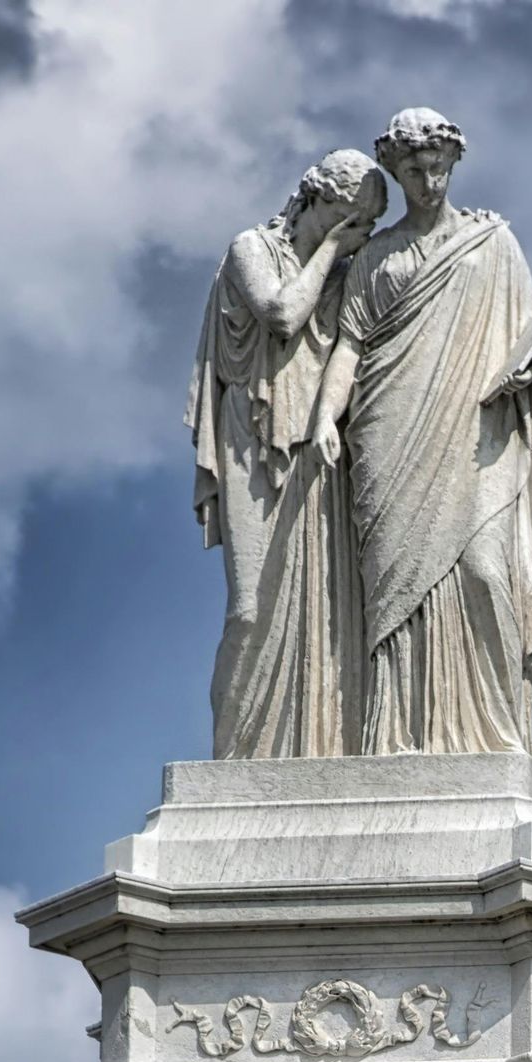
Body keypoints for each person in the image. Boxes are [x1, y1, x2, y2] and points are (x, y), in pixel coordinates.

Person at [309, 106, 532, 756]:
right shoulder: (376, 256)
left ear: (454, 163)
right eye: (413, 168)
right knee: (394, 593)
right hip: (388, 433)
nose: (427, 178)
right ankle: (398, 737)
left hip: (478, 434)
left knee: (488, 573)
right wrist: (326, 416)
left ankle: (497, 737)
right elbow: (349, 348)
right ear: (396, 170)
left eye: (436, 165)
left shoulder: (493, 244)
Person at [186, 148, 386, 757]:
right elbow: (279, 314)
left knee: (324, 614)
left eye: (369, 226)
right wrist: (333, 251)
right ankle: (231, 759)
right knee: (250, 607)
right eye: (353, 219)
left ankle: (317, 750)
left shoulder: (350, 274)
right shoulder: (252, 248)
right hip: (252, 432)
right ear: (317, 199)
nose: (361, 235)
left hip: (320, 446)